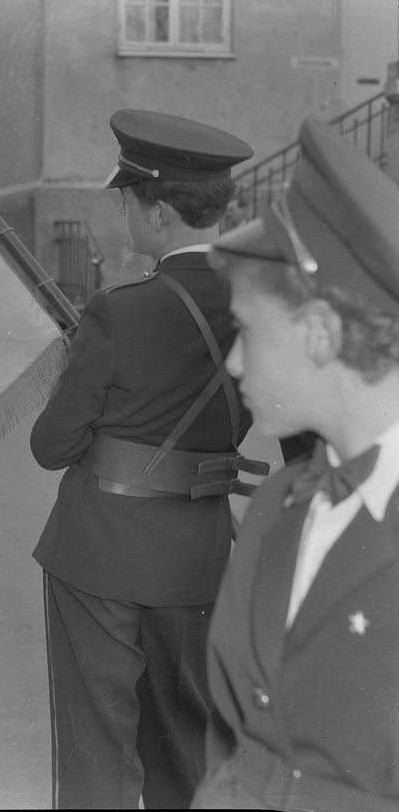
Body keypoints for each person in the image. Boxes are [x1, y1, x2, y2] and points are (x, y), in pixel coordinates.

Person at [29, 110, 257, 808]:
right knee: (184, 750)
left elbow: (50, 446)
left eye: (125, 199)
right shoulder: (260, 301)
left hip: (101, 556)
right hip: (201, 554)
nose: (121, 211)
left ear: (157, 212)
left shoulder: (118, 310)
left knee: (97, 760)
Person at [193, 119, 399, 810]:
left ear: (319, 332)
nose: (233, 361)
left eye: (246, 330)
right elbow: (233, 747)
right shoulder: (282, 498)